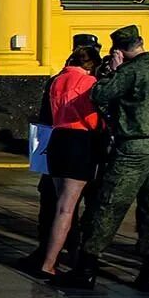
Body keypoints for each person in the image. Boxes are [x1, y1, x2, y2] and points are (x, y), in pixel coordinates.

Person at [57, 25, 149, 291]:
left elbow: (98, 95)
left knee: (109, 205)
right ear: (140, 42)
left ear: (119, 50)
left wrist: (113, 72)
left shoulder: (129, 71)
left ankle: (87, 268)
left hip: (132, 148)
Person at [21, 33, 103, 270]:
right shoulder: (90, 83)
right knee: (68, 208)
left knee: (59, 206)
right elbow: (94, 120)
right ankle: (53, 262)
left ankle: (50, 256)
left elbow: (48, 113)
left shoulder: (57, 80)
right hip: (80, 143)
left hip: (57, 140)